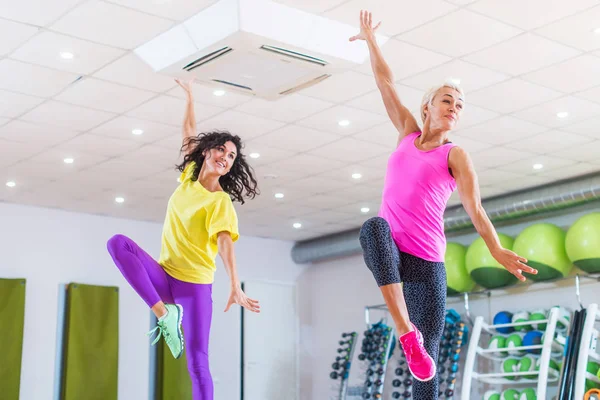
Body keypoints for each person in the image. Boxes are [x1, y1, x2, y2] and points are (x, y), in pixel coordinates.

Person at [350, 10, 537, 399]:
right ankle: (405, 332)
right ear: (427, 107)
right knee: (373, 228)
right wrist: (371, 41)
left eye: (460, 105)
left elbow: (475, 208)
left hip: (426, 263)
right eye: (447, 100)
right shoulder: (406, 132)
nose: (454, 107)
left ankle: (416, 345)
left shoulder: (456, 155)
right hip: (390, 249)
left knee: (426, 371)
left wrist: (496, 248)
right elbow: (385, 82)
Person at [106, 78, 260, 400]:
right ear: (207, 151)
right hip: (164, 276)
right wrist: (190, 96)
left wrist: (234, 283)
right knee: (118, 244)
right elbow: (189, 130)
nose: (226, 157)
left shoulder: (220, 201)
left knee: (197, 363)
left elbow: (224, 243)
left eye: (232, 156)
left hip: (194, 288)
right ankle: (164, 314)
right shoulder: (190, 177)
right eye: (221, 149)